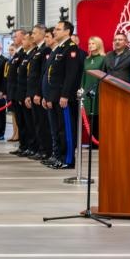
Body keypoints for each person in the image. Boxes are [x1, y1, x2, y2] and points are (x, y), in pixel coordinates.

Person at [43, 21, 85, 168]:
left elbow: (71, 75)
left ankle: (68, 160)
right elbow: (52, 75)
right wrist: (48, 96)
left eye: (58, 29)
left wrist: (65, 95)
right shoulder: (60, 49)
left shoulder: (71, 49)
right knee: (58, 129)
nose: (55, 31)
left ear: (67, 32)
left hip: (63, 97)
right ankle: (59, 156)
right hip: (55, 95)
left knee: (66, 129)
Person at [28, 25, 53, 162]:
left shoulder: (46, 50)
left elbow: (42, 74)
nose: (32, 35)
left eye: (35, 33)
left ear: (42, 34)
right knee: (37, 123)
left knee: (43, 123)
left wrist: (38, 93)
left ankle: (46, 150)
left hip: (39, 92)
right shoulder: (37, 50)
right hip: (33, 92)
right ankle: (40, 148)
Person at [8, 31, 31, 156]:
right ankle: (23, 146)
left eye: (16, 36)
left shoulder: (27, 54)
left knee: (27, 123)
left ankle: (29, 146)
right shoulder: (20, 53)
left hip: (22, 93)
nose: (14, 38)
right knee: (21, 122)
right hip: (16, 92)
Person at [81, 36, 106, 140]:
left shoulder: (103, 58)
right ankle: (92, 140)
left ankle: (98, 140)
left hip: (98, 90)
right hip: (87, 89)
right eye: (89, 44)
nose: (90, 45)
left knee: (97, 115)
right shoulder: (87, 59)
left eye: (93, 43)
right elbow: (84, 76)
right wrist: (82, 89)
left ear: (98, 45)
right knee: (89, 115)